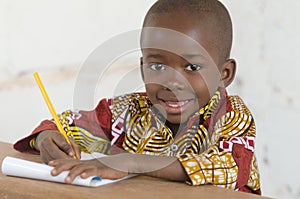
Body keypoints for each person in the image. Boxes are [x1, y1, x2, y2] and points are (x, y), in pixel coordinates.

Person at [14, 0, 261, 194]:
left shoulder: (233, 117)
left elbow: (229, 167)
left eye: (192, 68)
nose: (172, 82)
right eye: (157, 66)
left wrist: (130, 162)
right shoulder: (128, 111)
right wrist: (47, 138)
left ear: (224, 73)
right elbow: (66, 125)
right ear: (143, 66)